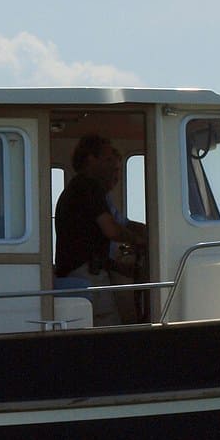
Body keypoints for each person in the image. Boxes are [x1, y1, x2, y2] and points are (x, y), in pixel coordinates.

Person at [54, 134, 147, 325]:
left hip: (81, 272)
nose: (112, 167)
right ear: (91, 159)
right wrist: (139, 241)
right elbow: (111, 229)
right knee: (107, 327)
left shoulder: (78, 188)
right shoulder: (88, 186)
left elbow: (88, 246)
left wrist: (119, 267)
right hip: (87, 276)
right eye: (107, 160)